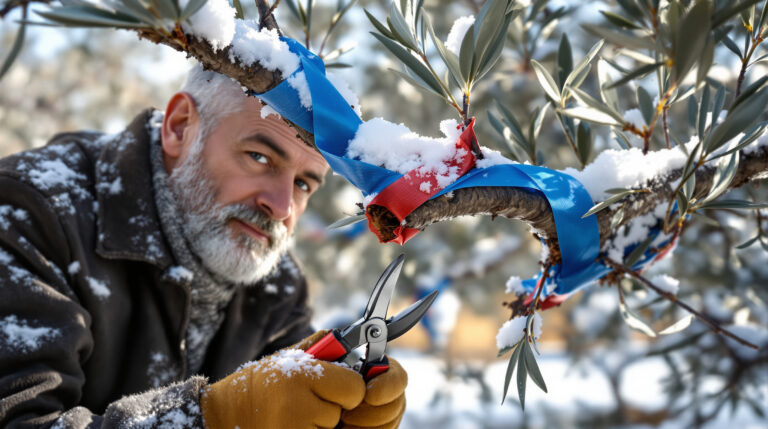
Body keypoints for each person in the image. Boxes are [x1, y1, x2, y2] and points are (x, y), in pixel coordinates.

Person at [0, 66, 407, 428]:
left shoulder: (275, 286)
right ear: (179, 127)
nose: (281, 207)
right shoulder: (29, 214)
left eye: (303, 184)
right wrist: (212, 419)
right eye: (259, 157)